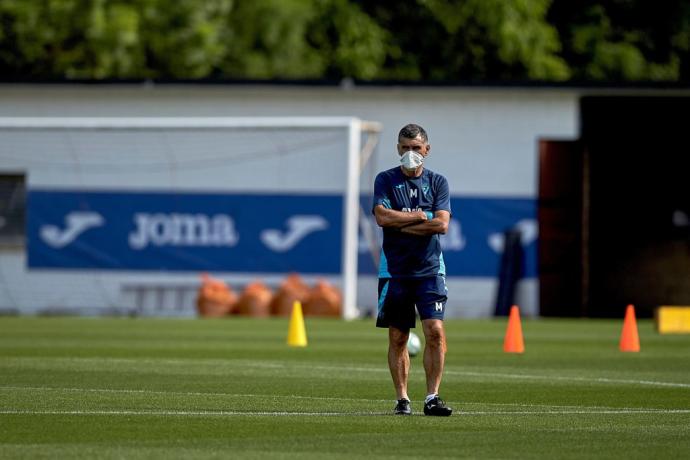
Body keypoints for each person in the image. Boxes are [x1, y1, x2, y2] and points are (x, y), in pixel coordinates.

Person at [372, 123, 453, 416]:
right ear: (397, 149)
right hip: (395, 270)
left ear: (426, 150)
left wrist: (403, 223)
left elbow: (442, 225)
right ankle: (402, 399)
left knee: (435, 331)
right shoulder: (385, 180)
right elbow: (381, 217)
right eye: (405, 148)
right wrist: (420, 219)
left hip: (430, 269)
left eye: (416, 148)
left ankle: (432, 396)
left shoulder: (438, 182)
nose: (410, 154)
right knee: (398, 336)